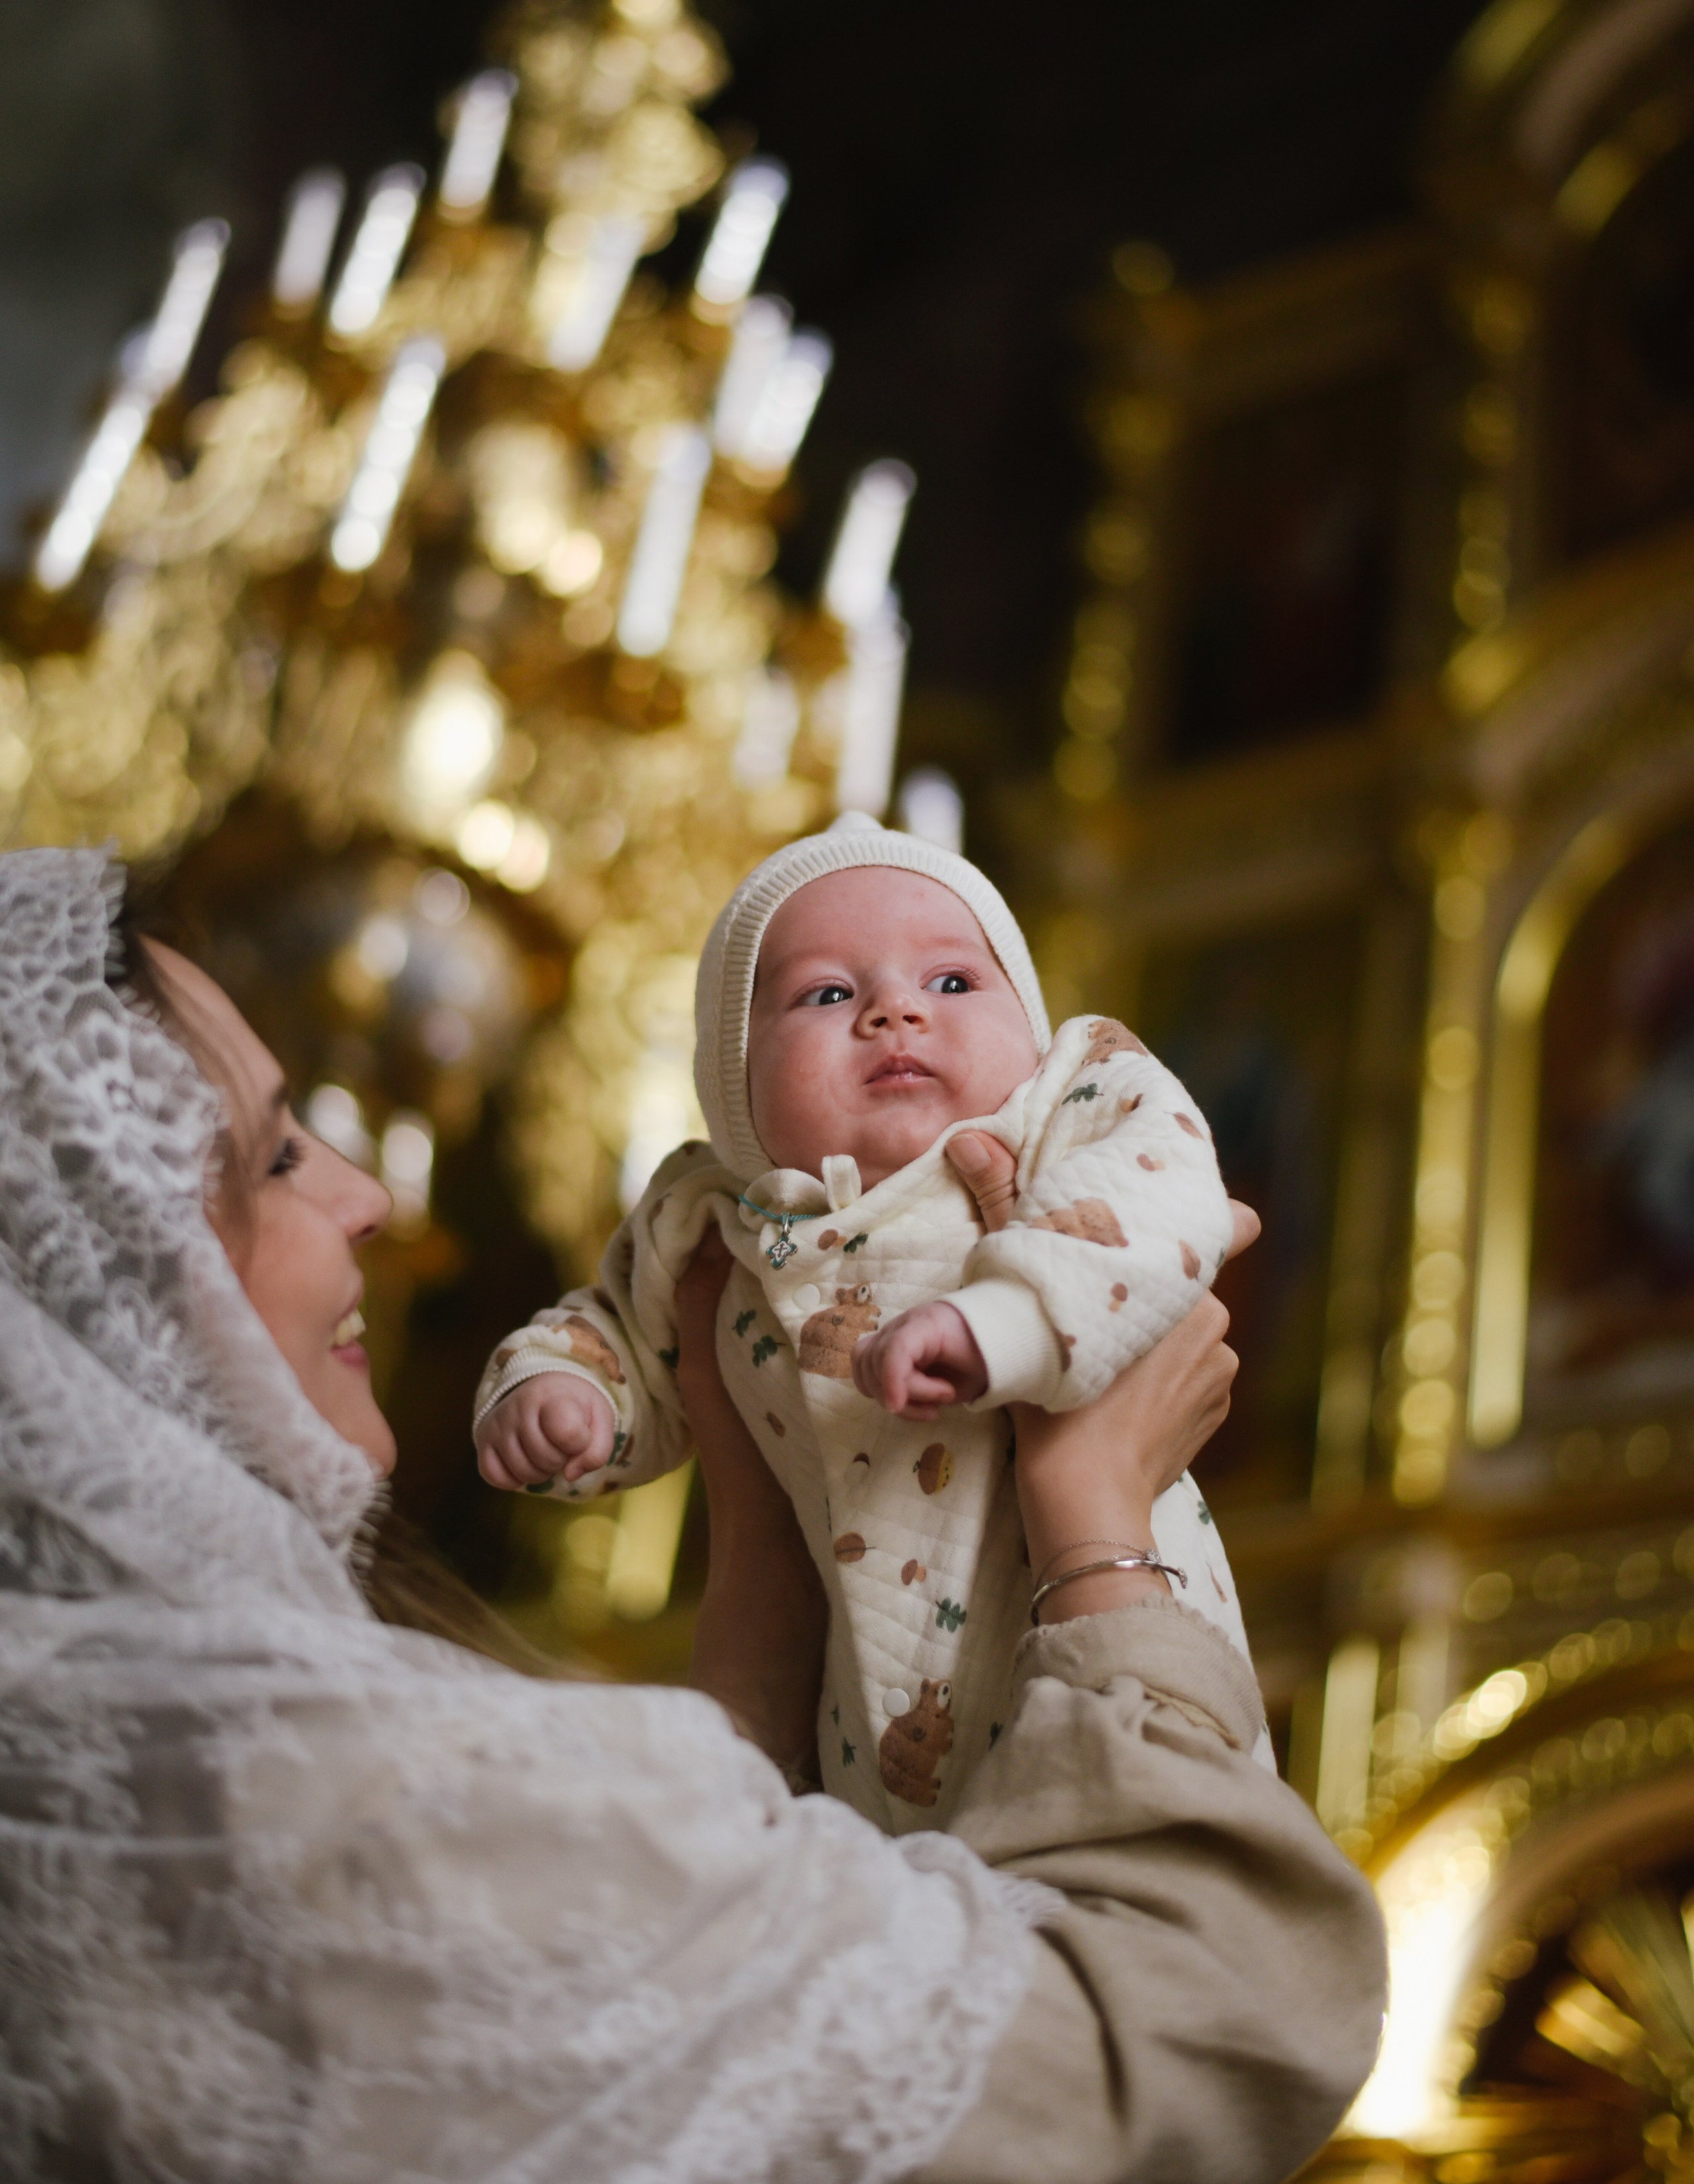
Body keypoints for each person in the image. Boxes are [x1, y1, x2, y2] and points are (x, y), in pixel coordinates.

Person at [0, 845, 1384, 2183]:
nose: (368, 1196)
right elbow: (1199, 2029)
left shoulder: (100, 1757)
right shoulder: (322, 1789)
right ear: (110, 1272)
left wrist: (807, 1472)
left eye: (954, 984)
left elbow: (734, 1948)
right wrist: (1091, 1503)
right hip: (958, 1734)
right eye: (278, 1155)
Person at [474, 817, 1267, 1827]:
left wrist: (1007, 1324)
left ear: (1028, 1029)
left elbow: (1163, 1202)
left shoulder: (1071, 1103)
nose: (895, 1012)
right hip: (859, 1750)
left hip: (1115, 1646)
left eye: (951, 984)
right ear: (734, 1081)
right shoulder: (708, 1215)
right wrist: (564, 1392)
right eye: (828, 994)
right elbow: (616, 1331)